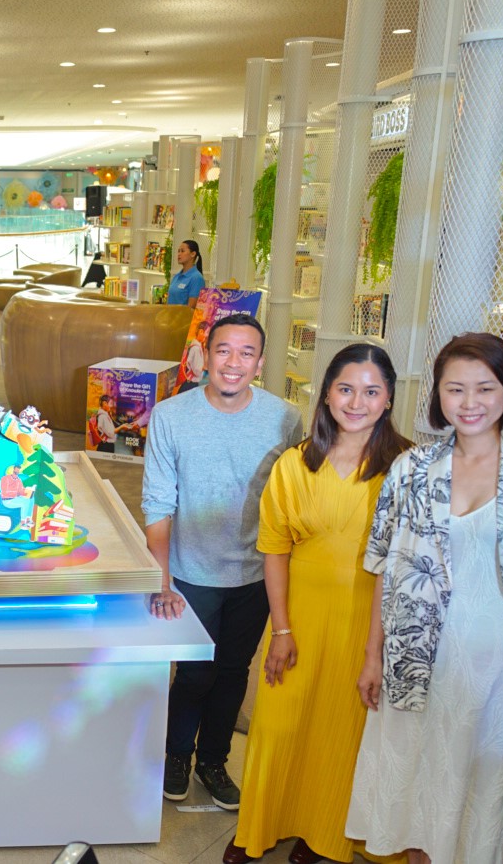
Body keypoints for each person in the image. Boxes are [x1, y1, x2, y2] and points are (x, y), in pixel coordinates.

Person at [346, 332, 503, 864]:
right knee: (410, 775)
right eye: (455, 390)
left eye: (485, 388)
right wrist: (372, 653)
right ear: (437, 396)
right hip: (414, 650)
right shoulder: (410, 468)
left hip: (494, 655)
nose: (470, 404)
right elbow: (384, 566)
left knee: (475, 774)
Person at [225, 343, 411, 864]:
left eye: (372, 391)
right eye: (346, 388)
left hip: (367, 619)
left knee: (343, 729)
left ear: (389, 399)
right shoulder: (294, 464)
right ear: (326, 393)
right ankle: (258, 827)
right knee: (280, 722)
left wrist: (377, 652)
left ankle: (325, 836)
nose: (357, 401)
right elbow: (275, 551)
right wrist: (280, 630)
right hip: (300, 613)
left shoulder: (405, 468)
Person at [142, 312, 303, 806]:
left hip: (255, 573)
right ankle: (176, 756)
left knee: (235, 671)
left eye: (246, 353)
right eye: (224, 351)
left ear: (259, 363)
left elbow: (292, 499)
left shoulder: (284, 418)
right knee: (193, 672)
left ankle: (213, 760)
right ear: (204, 356)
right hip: (191, 573)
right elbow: (158, 504)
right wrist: (162, 579)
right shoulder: (171, 416)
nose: (234, 363)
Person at [165, 239, 205, 306]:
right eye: (178, 251)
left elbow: (191, 308)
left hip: (184, 316)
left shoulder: (197, 278)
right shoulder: (176, 277)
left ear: (193, 254)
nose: (179, 254)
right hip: (171, 315)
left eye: (182, 251)